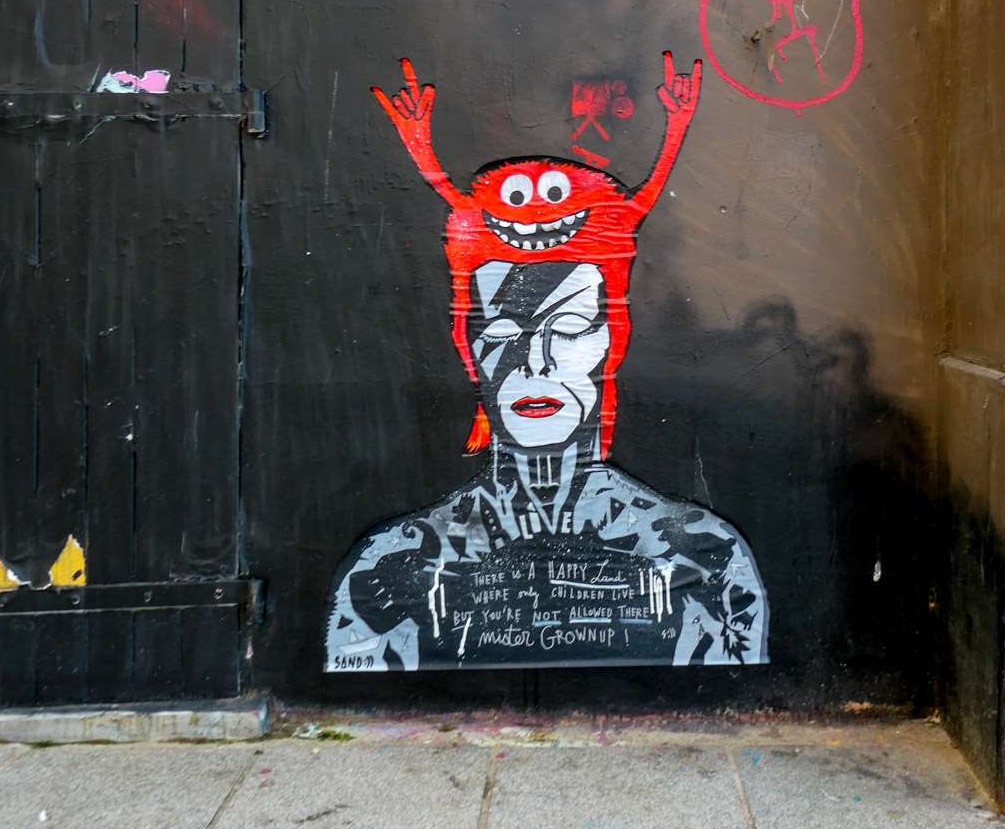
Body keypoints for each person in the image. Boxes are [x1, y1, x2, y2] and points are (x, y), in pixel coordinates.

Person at [325, 257, 769, 670]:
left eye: (571, 328)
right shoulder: (392, 564)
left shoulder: (705, 553)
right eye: (500, 333)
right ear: (472, 353)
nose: (536, 362)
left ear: (610, 344)